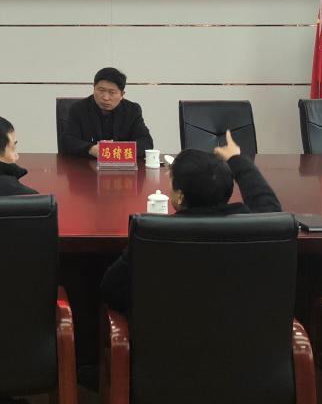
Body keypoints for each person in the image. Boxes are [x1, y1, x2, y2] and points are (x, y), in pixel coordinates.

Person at [100, 131, 280, 312]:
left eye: (171, 180)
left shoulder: (153, 233)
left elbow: (111, 288)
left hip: (166, 328)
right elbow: (266, 202)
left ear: (180, 196)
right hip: (243, 327)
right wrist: (236, 160)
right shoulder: (259, 229)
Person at [62, 67, 153, 159]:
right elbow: (67, 141)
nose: (105, 97)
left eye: (112, 92)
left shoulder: (132, 110)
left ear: (122, 94)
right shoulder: (78, 109)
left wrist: (115, 150)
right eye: (101, 90)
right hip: (86, 164)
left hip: (121, 165)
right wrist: (91, 149)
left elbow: (146, 143)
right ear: (94, 88)